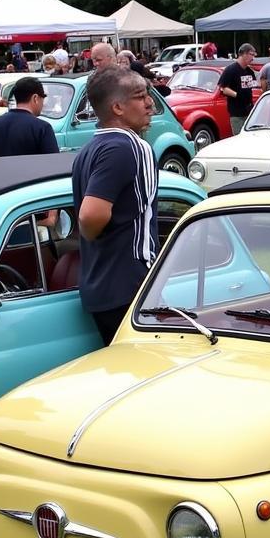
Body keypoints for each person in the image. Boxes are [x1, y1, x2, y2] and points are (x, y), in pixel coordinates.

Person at [71, 66, 158, 346]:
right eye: (140, 96)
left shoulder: (88, 149)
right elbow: (90, 216)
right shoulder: (128, 146)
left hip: (101, 285)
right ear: (118, 107)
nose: (149, 103)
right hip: (131, 286)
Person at [0, 76, 58, 157]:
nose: (43, 104)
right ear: (35, 98)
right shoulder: (42, 128)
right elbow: (53, 163)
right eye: (42, 98)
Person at [217, 43, 258, 134]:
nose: (253, 58)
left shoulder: (249, 71)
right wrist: (237, 95)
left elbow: (254, 86)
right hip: (237, 113)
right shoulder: (230, 70)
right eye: (251, 54)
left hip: (249, 112)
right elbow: (223, 88)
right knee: (239, 138)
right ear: (244, 54)